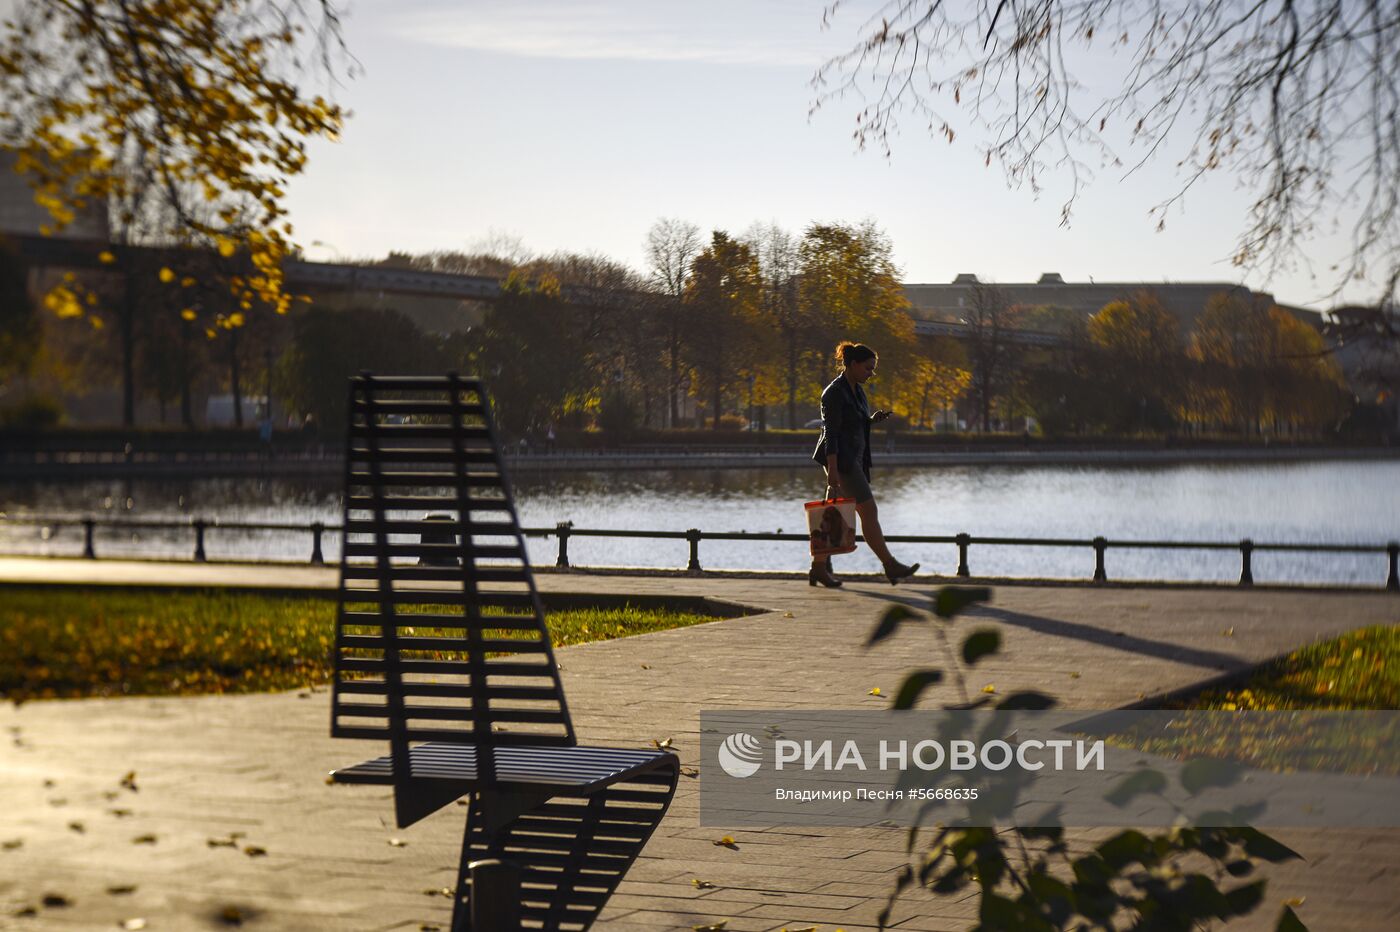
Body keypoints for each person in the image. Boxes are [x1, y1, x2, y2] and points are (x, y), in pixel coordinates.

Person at [809, 341, 920, 587]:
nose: (871, 373)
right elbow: (831, 434)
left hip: (853, 460)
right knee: (868, 512)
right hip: (843, 462)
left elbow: (852, 423)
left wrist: (870, 420)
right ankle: (890, 566)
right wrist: (833, 472)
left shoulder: (857, 390)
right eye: (868, 368)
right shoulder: (834, 393)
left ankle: (817, 568)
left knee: (831, 515)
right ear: (853, 364)